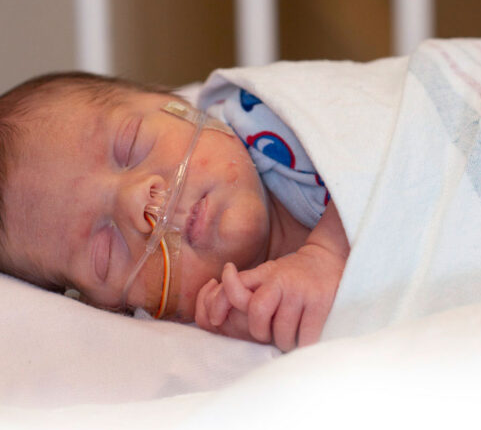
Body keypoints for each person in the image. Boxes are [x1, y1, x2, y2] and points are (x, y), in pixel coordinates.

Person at [0, 71, 350, 352]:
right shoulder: (222, 318)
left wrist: (329, 253)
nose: (138, 201)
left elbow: (399, 143)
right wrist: (262, 320)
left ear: (175, 103)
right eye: (104, 251)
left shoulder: (277, 120)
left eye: (130, 145)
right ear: (114, 308)